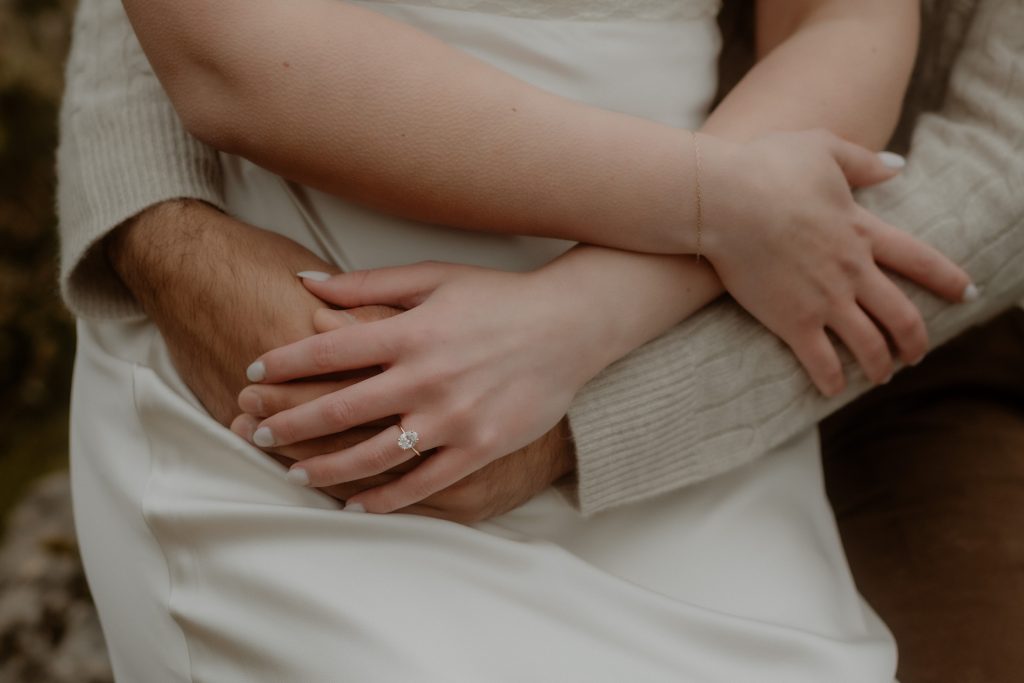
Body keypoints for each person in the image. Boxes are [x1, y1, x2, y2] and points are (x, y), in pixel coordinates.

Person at [56, 0, 1024, 681]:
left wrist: (583, 326)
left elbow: (865, 42)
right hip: (331, 330)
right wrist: (160, 229)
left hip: (716, 326)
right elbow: (215, 47)